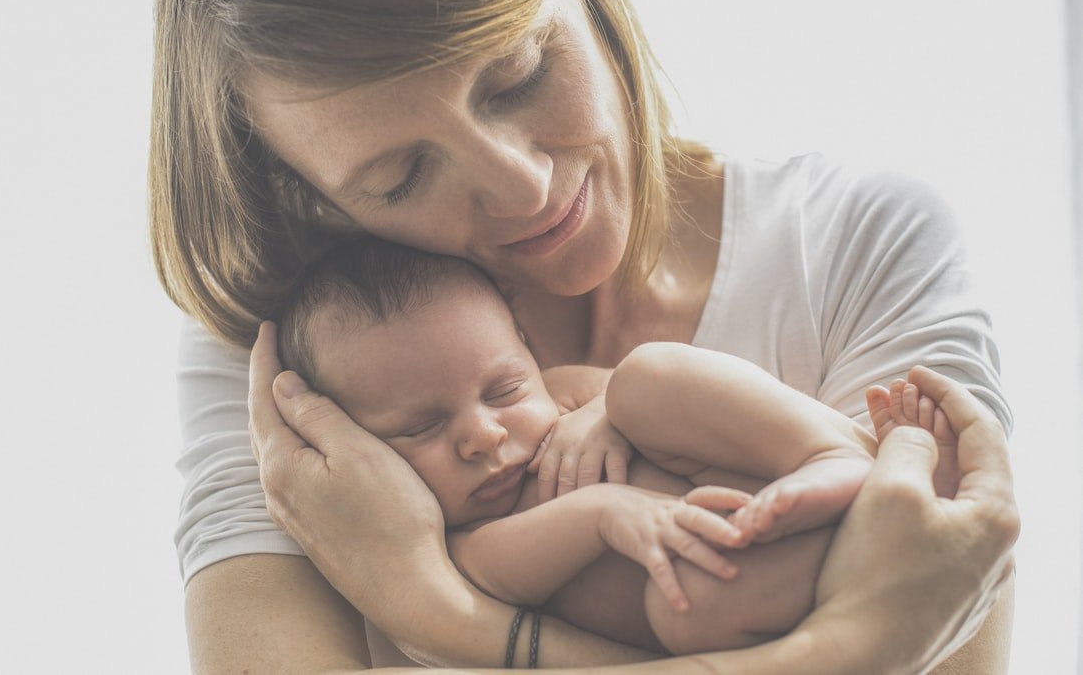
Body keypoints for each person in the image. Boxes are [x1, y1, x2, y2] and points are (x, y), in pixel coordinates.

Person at [149, 0, 1019, 671]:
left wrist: (444, 615)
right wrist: (851, 646)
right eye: (400, 176)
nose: (522, 185)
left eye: (522, 72)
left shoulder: (851, 243)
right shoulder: (300, 362)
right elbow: (898, 615)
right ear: (310, 195)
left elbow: (947, 600)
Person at [275, 239, 881, 654]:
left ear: (527, 349)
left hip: (765, 483)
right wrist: (604, 512)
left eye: (505, 387)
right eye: (420, 428)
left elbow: (636, 395)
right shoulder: (451, 547)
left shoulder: (561, 392)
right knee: (687, 609)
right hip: (747, 578)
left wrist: (601, 412)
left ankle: (829, 454)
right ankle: (842, 539)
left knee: (646, 379)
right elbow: (499, 576)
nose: (484, 434)